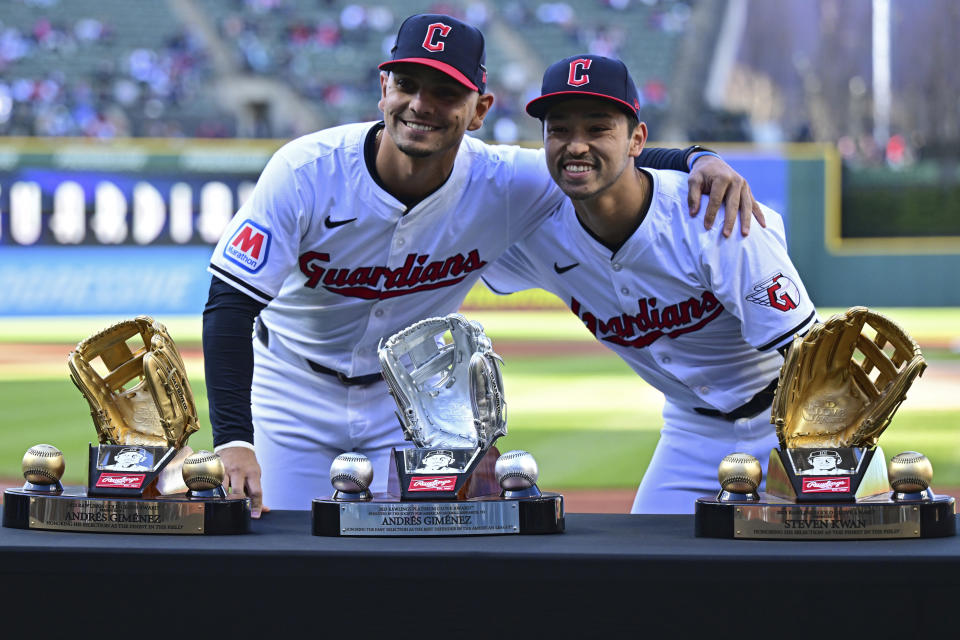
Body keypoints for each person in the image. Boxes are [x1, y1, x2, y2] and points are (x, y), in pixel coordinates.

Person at [202, 14, 764, 516]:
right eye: (407, 84)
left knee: (415, 567)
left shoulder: (507, 184)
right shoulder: (306, 171)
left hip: (409, 404)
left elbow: (601, 157)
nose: (421, 104)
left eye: (446, 92)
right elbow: (230, 304)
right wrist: (233, 439)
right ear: (383, 89)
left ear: (479, 110)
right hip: (291, 388)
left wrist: (696, 158)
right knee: (283, 555)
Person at [480, 54, 818, 514]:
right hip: (691, 433)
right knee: (646, 568)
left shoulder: (714, 215)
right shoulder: (537, 231)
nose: (576, 145)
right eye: (559, 130)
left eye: (598, 128)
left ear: (637, 138)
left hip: (792, 421)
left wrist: (819, 458)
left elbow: (815, 361)